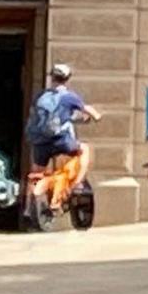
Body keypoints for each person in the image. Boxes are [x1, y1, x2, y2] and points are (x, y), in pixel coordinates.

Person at [26, 65, 95, 221]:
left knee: (36, 172)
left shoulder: (40, 96)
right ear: (67, 78)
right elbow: (88, 111)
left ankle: (29, 206)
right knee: (83, 149)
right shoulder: (69, 97)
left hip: (41, 142)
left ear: (52, 77)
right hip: (60, 141)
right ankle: (77, 183)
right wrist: (96, 116)